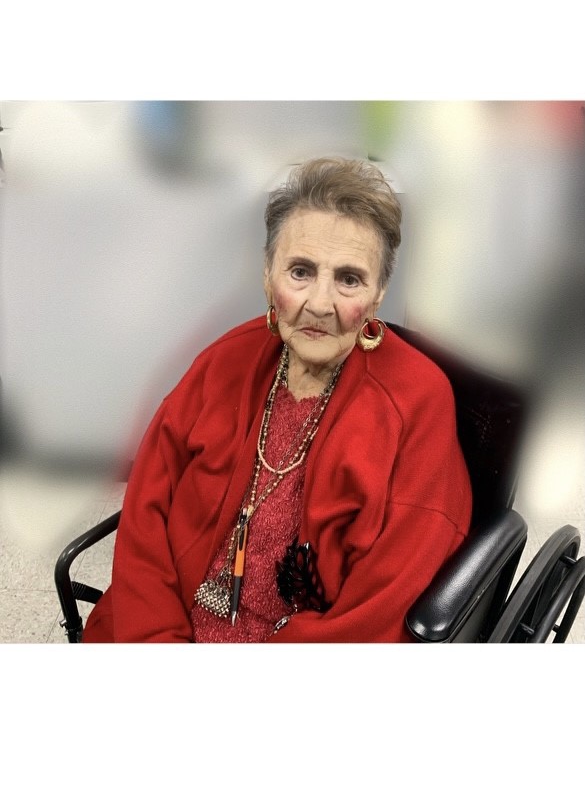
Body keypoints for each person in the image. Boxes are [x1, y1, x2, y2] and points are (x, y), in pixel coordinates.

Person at [83, 157, 472, 643]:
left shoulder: (417, 401)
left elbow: (383, 603)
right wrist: (157, 639)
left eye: (349, 279)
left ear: (378, 293)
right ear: (268, 275)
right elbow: (147, 510)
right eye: (301, 271)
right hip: (167, 621)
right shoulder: (226, 360)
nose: (320, 304)